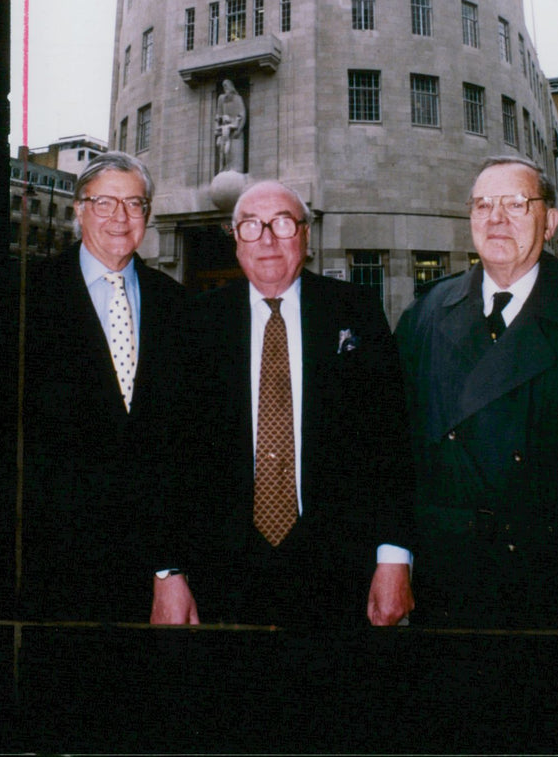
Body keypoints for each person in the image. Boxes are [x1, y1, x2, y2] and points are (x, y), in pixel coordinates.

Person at [151, 179, 415, 628]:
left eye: (282, 223)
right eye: (251, 225)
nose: (268, 239)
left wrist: (394, 559)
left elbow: (390, 439)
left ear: (306, 236)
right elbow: (166, 452)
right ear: (236, 241)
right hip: (220, 570)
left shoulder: (356, 311)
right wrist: (167, 571)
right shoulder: (195, 321)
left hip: (337, 567)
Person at [396, 157, 558, 628]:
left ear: (550, 224)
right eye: (482, 205)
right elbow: (395, 453)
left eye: (516, 204)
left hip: (553, 580)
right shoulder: (425, 314)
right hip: (449, 581)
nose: (495, 218)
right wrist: (394, 558)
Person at [20, 151, 197, 623]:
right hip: (45, 572)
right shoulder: (23, 299)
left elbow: (190, 449)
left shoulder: (180, 309)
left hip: (154, 578)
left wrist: (171, 568)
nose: (120, 217)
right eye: (105, 203)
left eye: (134, 204)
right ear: (79, 209)